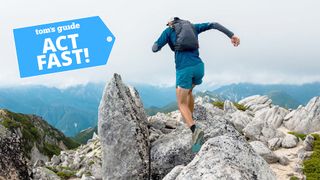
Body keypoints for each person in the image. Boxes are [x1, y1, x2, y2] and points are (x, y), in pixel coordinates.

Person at [152, 17, 240, 152]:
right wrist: (232, 35)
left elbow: (155, 48)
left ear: (171, 23)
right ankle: (190, 119)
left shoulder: (168, 31)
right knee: (189, 92)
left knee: (181, 104)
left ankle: (194, 130)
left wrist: (164, 43)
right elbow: (214, 24)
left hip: (184, 70)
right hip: (199, 67)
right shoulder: (193, 27)